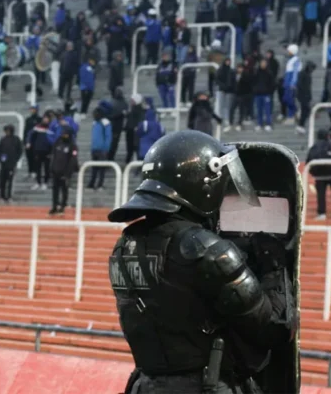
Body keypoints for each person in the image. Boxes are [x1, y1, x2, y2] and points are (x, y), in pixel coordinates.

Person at [107, 130, 287, 394]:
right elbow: (273, 328)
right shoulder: (206, 248)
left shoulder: (125, 245)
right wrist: (274, 268)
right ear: (204, 183)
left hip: (145, 385)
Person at [306, 129, 331, 220]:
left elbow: (308, 161)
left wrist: (313, 173)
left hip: (319, 176)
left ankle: (321, 213)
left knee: (321, 195)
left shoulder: (314, 147)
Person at [49, 127, 79, 215]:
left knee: (64, 189)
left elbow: (73, 160)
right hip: (55, 171)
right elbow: (53, 156)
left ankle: (62, 206)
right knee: (55, 190)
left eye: (65, 134)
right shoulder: (57, 143)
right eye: (63, 134)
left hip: (65, 172)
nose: (64, 135)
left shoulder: (72, 146)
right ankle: (54, 206)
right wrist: (51, 168)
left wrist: (68, 173)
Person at [88, 107, 113, 190]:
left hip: (102, 149)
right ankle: (91, 183)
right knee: (94, 168)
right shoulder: (95, 123)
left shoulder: (105, 123)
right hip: (94, 149)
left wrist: (106, 148)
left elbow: (108, 137)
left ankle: (100, 184)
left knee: (102, 168)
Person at [0, 124, 23, 203]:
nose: (7, 132)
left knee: (10, 181)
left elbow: (20, 150)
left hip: (12, 164)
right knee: (2, 181)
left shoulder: (16, 139)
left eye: (9, 130)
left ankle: (9, 196)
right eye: (6, 130)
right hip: (3, 164)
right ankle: (2, 196)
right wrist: (1, 160)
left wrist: (15, 159)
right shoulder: (3, 139)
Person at [282, 44, 301, 125]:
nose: (287, 52)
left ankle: (292, 115)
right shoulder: (290, 60)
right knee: (285, 99)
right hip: (287, 81)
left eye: (289, 51)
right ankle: (294, 112)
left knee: (289, 99)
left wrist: (293, 83)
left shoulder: (296, 60)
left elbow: (295, 73)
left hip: (291, 83)